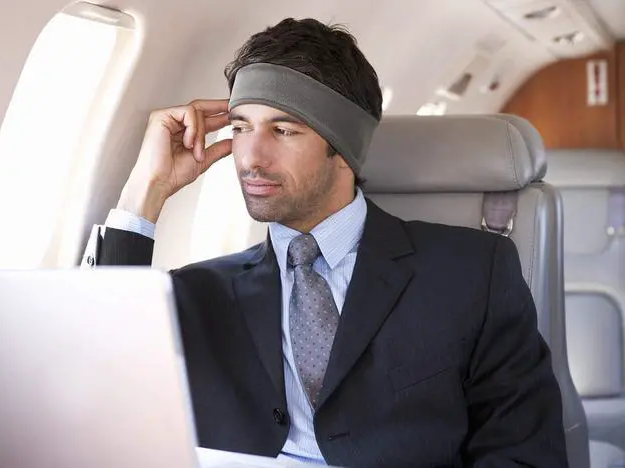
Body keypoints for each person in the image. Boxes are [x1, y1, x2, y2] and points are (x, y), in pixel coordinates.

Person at [83, 17, 568, 467]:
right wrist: (144, 191)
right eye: (241, 127)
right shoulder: (198, 292)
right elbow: (95, 385)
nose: (250, 158)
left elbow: (523, 453)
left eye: (283, 130)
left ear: (344, 147)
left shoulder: (470, 273)